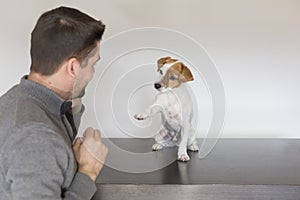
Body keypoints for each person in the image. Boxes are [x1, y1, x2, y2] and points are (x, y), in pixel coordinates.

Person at [0, 6, 108, 199]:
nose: (92, 74)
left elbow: (53, 153)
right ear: (73, 68)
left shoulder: (17, 99)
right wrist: (88, 172)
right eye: (93, 65)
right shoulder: (35, 137)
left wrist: (71, 105)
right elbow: (44, 144)